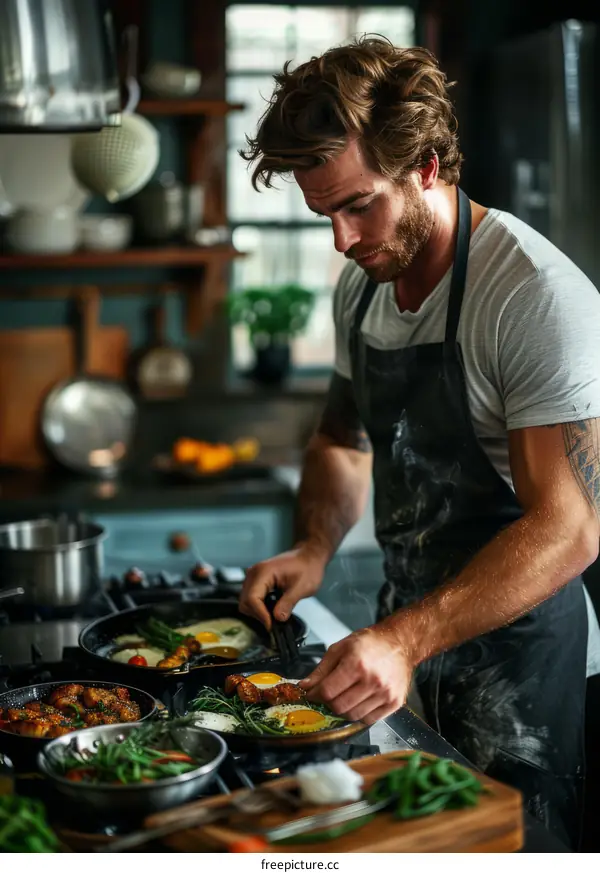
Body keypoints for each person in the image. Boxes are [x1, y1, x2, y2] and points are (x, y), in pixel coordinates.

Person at [237, 36, 600, 849]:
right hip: (403, 658)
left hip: (525, 681)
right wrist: (312, 548)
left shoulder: (531, 296)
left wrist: (404, 638)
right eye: (323, 212)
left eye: (358, 204)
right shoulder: (361, 289)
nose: (340, 239)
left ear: (428, 165)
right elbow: (341, 436)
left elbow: (571, 526)